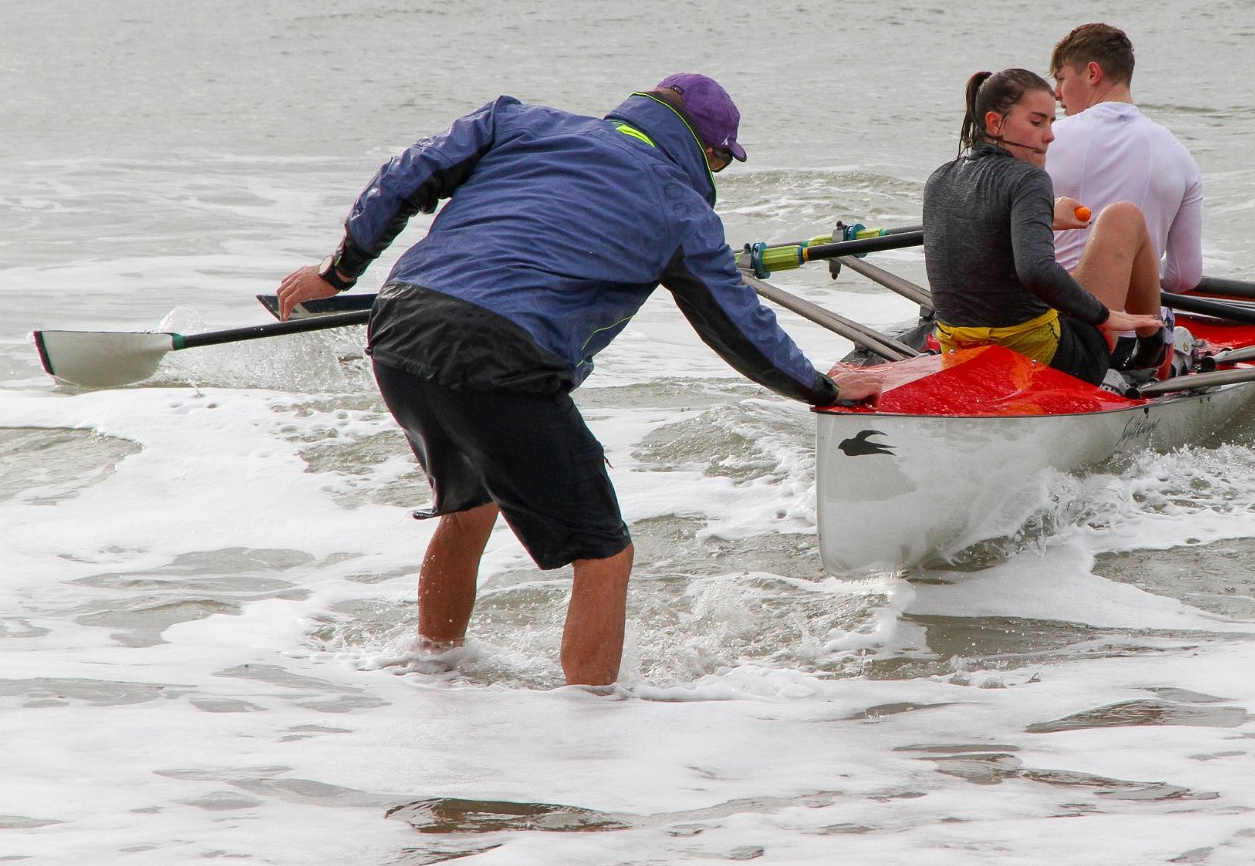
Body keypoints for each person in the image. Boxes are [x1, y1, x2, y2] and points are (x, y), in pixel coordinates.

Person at [275, 75, 881, 689]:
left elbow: (408, 172)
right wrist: (823, 389)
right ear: (706, 150)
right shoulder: (679, 206)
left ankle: (435, 668)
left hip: (401, 325)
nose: (717, 174)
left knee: (470, 508)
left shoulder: (516, 122)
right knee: (604, 553)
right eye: (721, 161)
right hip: (501, 355)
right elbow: (737, 326)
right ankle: (588, 733)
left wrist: (339, 271)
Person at [921, 67, 1163, 385]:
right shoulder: (1029, 178)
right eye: (1037, 122)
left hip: (959, 346)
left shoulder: (940, 178)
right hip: (1046, 356)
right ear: (995, 123)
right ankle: (1153, 353)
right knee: (1123, 216)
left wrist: (1044, 215)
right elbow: (1035, 270)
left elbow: (978, 236)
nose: (1049, 135)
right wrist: (1104, 315)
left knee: (1056, 287)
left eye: (1050, 122)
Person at [1044, 23, 1205, 295]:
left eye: (1061, 78)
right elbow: (1185, 278)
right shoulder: (1180, 156)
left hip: (1056, 318)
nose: (1056, 92)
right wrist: (1135, 272)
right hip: (1137, 325)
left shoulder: (1044, 141)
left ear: (1092, 73)